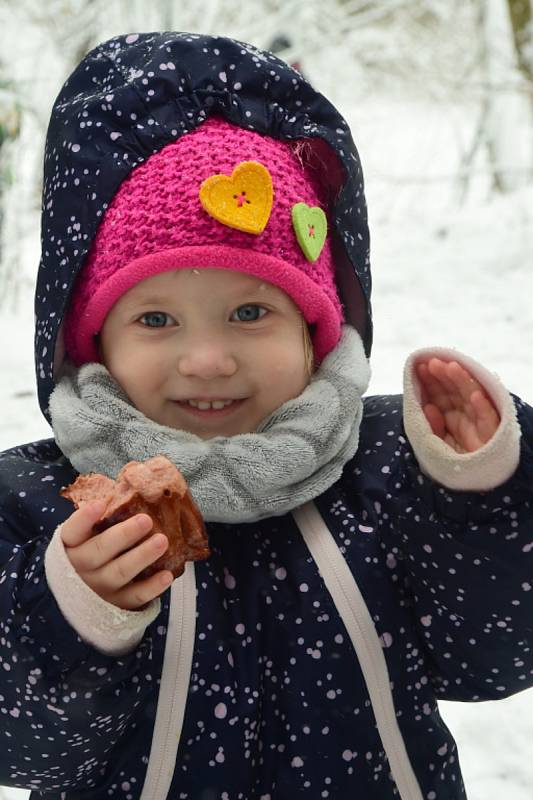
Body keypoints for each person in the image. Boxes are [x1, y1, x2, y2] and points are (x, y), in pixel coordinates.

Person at [0, 31, 531, 800]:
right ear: (93, 342)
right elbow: (26, 752)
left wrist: (484, 491)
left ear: (313, 329)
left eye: (250, 311)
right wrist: (75, 609)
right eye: (155, 320)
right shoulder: (39, 512)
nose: (208, 359)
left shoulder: (386, 471)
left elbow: (494, 655)